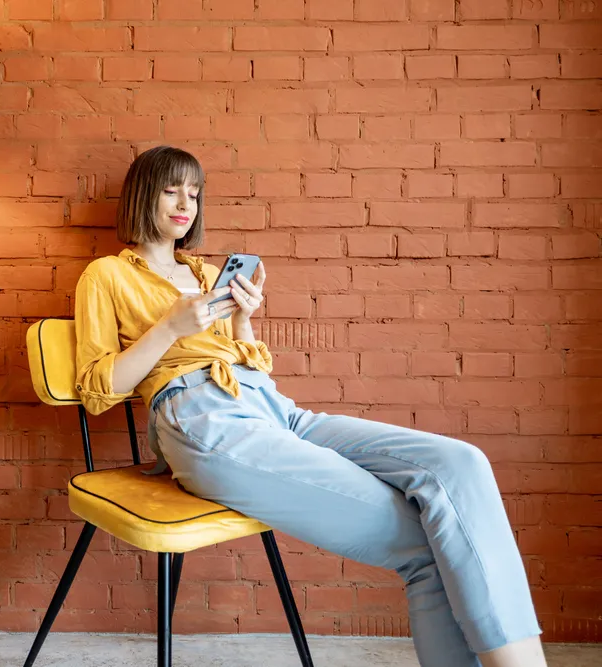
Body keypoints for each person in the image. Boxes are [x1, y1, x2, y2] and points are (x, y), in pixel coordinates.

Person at [73, 145, 547, 667]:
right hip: (201, 420)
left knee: (460, 464)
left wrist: (242, 321)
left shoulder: (208, 275)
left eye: (194, 191)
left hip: (275, 410)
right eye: (171, 189)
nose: (185, 202)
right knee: (429, 545)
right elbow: (98, 390)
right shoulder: (106, 276)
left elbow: (252, 364)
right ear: (144, 193)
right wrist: (170, 328)